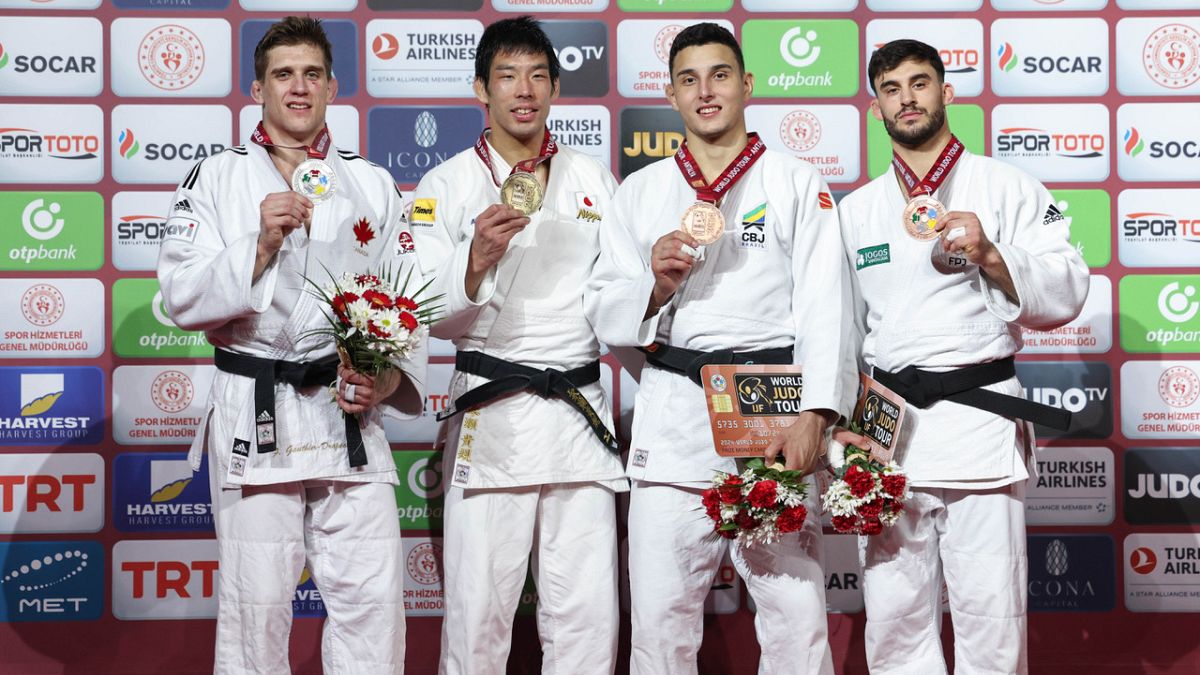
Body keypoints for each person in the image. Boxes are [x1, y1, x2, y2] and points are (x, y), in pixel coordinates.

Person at [157, 16, 427, 675]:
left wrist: (389, 378)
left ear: (332, 87)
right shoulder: (215, 177)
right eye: (283, 75)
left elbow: (408, 298)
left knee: (373, 606)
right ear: (258, 90)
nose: (298, 87)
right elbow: (180, 295)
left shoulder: (372, 183)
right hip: (257, 407)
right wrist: (258, 245)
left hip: (348, 412)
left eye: (312, 74)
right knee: (257, 610)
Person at [584, 22, 856, 675]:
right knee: (660, 618)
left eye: (720, 75)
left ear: (747, 85)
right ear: (672, 96)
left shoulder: (796, 180)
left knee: (795, 616)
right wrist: (654, 286)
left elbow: (828, 306)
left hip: (773, 411)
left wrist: (817, 414)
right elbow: (603, 306)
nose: (705, 91)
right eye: (689, 79)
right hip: (676, 413)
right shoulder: (641, 191)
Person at [837, 39, 1089, 674]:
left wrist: (991, 254)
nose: (907, 99)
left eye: (919, 83)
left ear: (946, 92)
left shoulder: (1007, 187)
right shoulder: (857, 210)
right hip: (888, 432)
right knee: (894, 617)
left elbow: (1067, 287)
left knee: (991, 611)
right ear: (875, 108)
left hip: (979, 421)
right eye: (891, 89)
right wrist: (841, 419)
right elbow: (840, 329)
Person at [407, 16, 626, 675]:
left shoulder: (594, 179)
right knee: (477, 617)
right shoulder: (445, 185)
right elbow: (426, 314)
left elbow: (617, 295)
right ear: (482, 88)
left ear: (556, 87)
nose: (523, 90)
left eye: (536, 76)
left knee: (587, 618)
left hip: (578, 416)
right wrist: (475, 260)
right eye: (507, 76)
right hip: (492, 412)